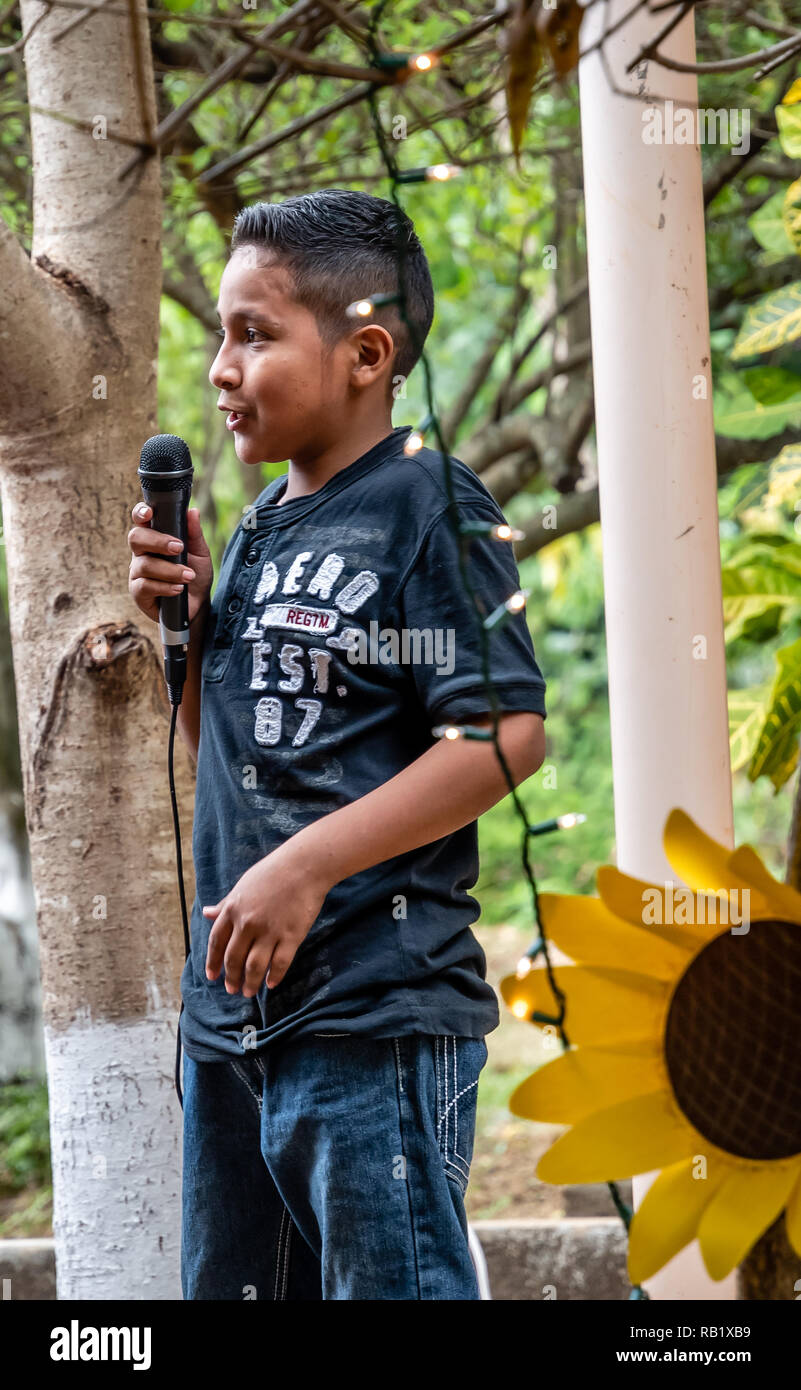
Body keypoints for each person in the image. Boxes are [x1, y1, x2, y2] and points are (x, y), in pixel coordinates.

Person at [128, 189, 547, 1300]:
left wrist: (306, 866)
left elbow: (503, 733)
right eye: (222, 332)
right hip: (232, 1028)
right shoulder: (263, 524)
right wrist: (194, 622)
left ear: (365, 352)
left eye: (254, 334)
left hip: (373, 1020)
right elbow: (232, 749)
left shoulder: (431, 507)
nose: (221, 366)